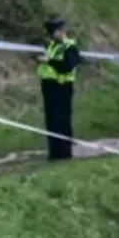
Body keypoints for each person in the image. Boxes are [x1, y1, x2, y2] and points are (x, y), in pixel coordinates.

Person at [37, 16, 81, 161]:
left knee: (62, 121)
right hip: (49, 88)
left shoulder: (70, 47)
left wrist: (48, 61)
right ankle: (54, 153)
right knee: (51, 122)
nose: (55, 34)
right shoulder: (51, 46)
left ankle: (65, 153)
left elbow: (67, 66)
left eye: (55, 31)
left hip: (62, 88)